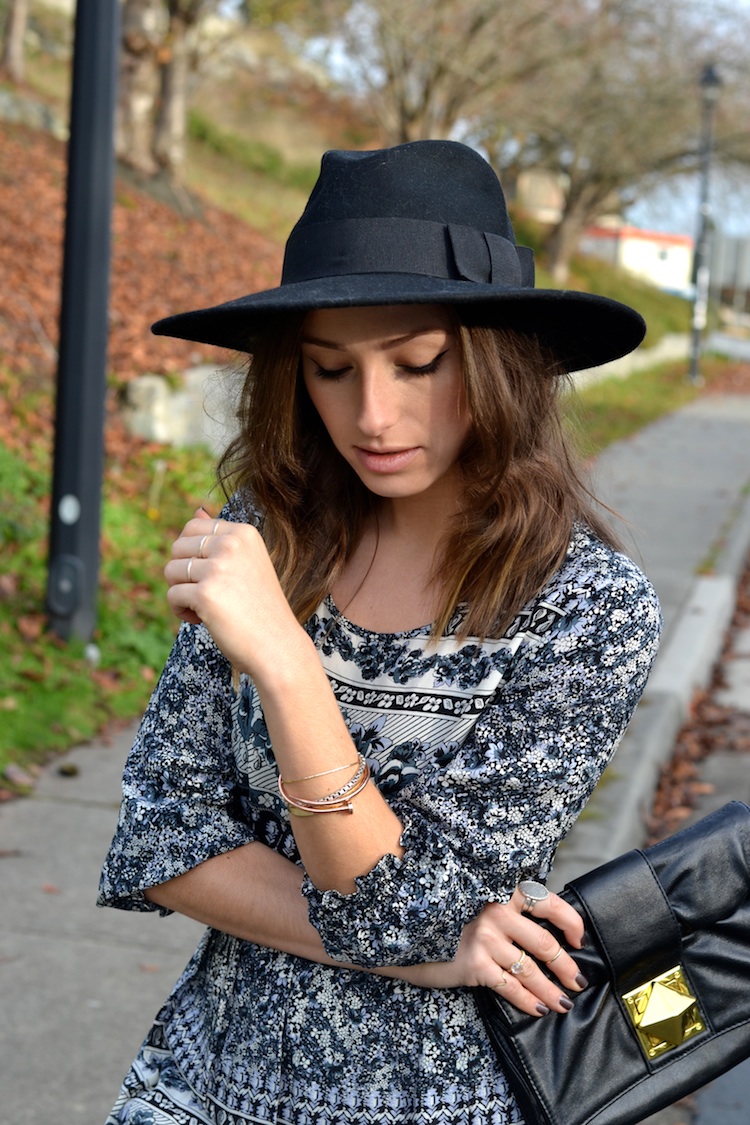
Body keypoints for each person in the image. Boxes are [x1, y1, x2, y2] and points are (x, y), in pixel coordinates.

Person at [98, 139, 662, 1125]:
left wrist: (284, 660)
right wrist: (442, 947)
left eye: (419, 363)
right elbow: (162, 839)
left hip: (442, 1098)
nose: (374, 414)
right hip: (201, 1086)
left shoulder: (588, 607)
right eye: (329, 369)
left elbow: (390, 903)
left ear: (499, 361)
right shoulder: (259, 538)